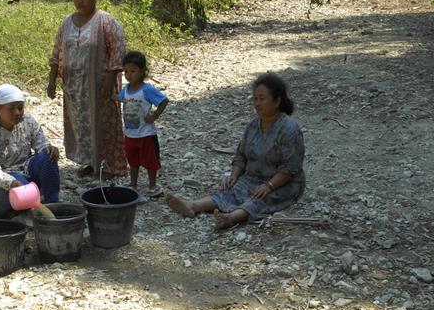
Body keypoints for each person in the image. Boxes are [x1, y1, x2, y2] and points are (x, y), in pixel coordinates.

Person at [166, 73, 305, 229]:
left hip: (282, 184)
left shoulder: (289, 129)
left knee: (258, 200)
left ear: (277, 101)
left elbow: (290, 168)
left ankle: (230, 218)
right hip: (252, 178)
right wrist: (234, 175)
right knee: (230, 191)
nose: (257, 103)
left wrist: (269, 185)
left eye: (262, 99)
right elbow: (241, 155)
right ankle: (192, 206)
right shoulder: (253, 126)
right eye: (255, 99)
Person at [47, 0, 127, 179]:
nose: (80, 1)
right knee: (80, 124)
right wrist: (52, 81)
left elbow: (118, 52)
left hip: (99, 85)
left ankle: (109, 166)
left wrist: (109, 82)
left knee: (104, 125)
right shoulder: (67, 23)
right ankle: (90, 162)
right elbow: (57, 52)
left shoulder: (106, 22)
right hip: (74, 87)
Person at [0, 83, 61, 217]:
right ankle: (15, 210)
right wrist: (11, 183)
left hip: (28, 167)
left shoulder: (27, 120)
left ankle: (53, 204)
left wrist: (49, 148)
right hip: (7, 176)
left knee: (47, 156)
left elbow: (41, 143)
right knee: (20, 195)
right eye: (11, 109)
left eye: (20, 108)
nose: (17, 113)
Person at [117, 50, 169, 197]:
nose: (129, 75)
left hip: (146, 133)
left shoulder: (147, 89)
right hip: (130, 134)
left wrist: (154, 115)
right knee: (132, 161)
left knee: (150, 160)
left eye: (133, 71)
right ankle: (133, 184)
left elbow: (164, 101)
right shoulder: (126, 90)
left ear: (142, 72)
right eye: (126, 71)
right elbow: (118, 98)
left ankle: (152, 185)